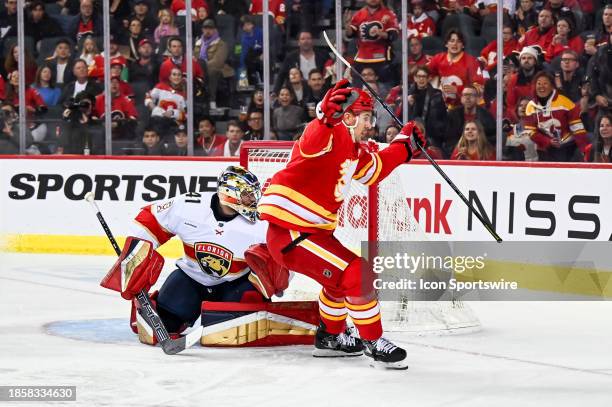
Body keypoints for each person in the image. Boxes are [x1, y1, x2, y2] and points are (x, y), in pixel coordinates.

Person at [257, 79, 426, 369]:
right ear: (346, 117)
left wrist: (404, 147)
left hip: (310, 234)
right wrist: (325, 115)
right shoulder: (331, 134)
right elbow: (313, 139)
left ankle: (331, 337)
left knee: (339, 282)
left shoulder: (354, 150)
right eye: (365, 118)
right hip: (293, 233)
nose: (370, 125)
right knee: (358, 273)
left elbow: (375, 170)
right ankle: (373, 341)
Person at [101, 166, 278, 343]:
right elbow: (150, 219)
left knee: (228, 335)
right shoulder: (189, 206)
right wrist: (135, 261)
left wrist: (273, 278)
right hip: (192, 278)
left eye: (254, 194)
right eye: (247, 194)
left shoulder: (262, 223)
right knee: (161, 325)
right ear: (229, 193)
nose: (253, 199)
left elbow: (281, 252)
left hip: (236, 284)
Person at [524, 71, 587, 162]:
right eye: (539, 83)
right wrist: (547, 141)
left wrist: (583, 149)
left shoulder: (564, 102)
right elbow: (530, 131)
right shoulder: (530, 106)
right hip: (542, 148)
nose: (542, 86)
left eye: (545, 83)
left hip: (566, 146)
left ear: (552, 86)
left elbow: (577, 128)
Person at [345, 0, 399, 86]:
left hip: (382, 59)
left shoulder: (389, 14)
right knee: (357, 89)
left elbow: (393, 35)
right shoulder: (359, 15)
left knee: (384, 89)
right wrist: (347, 24)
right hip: (362, 59)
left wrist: (380, 33)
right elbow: (350, 35)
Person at [428, 29, 486, 108]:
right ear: (446, 44)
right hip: (443, 106)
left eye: (459, 41)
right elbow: (424, 74)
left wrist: (458, 90)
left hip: (465, 107)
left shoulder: (471, 61)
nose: (455, 44)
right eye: (452, 41)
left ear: (463, 45)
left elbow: (480, 88)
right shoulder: (438, 59)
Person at [273, 30, 332, 97]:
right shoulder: (290, 57)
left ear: (312, 41)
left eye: (308, 38)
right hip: (297, 93)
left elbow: (330, 74)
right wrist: (275, 91)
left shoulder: (323, 55)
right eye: (303, 39)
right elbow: (281, 75)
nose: (306, 41)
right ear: (298, 42)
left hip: (320, 92)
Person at [445, 86, 496, 156]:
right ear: (461, 98)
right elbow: (448, 139)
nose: (468, 98)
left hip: (481, 154)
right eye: (465, 95)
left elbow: (492, 138)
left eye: (471, 95)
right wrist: (457, 149)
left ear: (477, 99)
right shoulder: (452, 115)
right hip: (457, 153)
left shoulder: (486, 116)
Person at [195, 18, 234, 109]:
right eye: (205, 28)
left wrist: (202, 68)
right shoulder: (197, 43)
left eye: (210, 29)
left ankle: (212, 101)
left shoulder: (221, 44)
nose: (207, 31)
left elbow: (218, 62)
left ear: (215, 30)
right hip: (200, 68)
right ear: (202, 30)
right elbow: (194, 58)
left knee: (212, 72)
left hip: (219, 70)